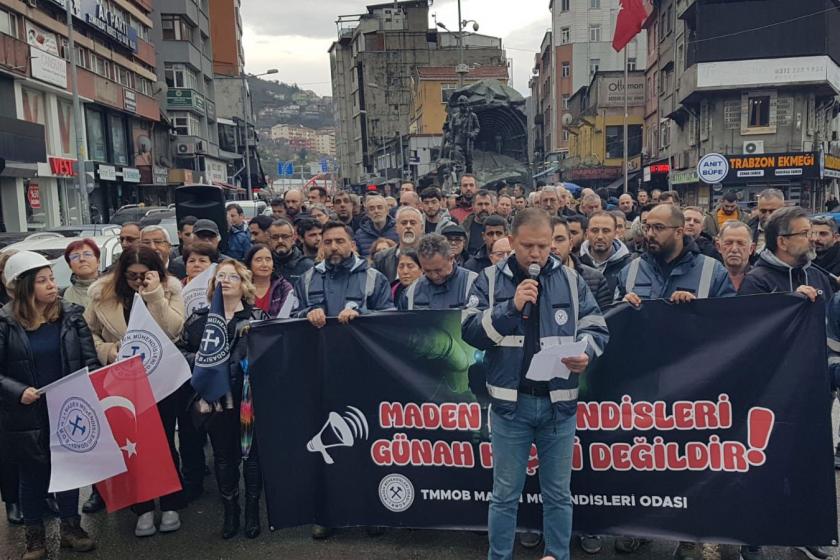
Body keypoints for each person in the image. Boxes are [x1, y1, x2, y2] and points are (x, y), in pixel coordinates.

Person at [462, 208, 609, 560]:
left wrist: (585, 351)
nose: (536, 254)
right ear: (511, 241)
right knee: (505, 494)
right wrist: (510, 308)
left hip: (559, 405)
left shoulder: (572, 281)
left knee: (558, 493)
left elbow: (596, 327)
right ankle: (499, 556)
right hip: (510, 408)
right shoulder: (489, 279)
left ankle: (558, 554)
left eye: (544, 246)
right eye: (528, 246)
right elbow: (469, 332)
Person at [736, 206, 834, 560]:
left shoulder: (819, 277)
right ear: (783, 241)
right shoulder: (758, 279)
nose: (811, 239)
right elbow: (750, 333)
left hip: (812, 386)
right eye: (803, 233)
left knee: (808, 463)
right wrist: (790, 304)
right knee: (765, 464)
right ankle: (753, 536)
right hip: (771, 390)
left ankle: (805, 530)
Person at [0, 251, 100, 558]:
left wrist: (95, 383)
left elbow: (88, 359)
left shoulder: (71, 315)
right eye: (42, 281)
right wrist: (18, 391)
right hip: (25, 413)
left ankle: (71, 528)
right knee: (33, 475)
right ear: (24, 287)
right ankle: (35, 539)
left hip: (67, 407)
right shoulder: (5, 323)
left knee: (68, 470)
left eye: (51, 279)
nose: (51, 286)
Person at [85, 246, 187, 538]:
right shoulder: (100, 293)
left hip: (160, 378)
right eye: (132, 277)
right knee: (131, 444)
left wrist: (154, 296)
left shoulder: (170, 288)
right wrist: (108, 350)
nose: (138, 282)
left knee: (165, 441)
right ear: (121, 273)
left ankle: (171, 502)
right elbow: (87, 332)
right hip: (121, 381)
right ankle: (141, 507)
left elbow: (176, 329)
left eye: (145, 276)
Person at [180, 260, 268, 539]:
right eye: (221, 276)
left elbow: (271, 357)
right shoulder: (198, 319)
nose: (226, 280)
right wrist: (205, 360)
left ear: (244, 284)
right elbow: (180, 352)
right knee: (223, 457)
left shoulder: (257, 318)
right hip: (215, 401)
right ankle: (231, 512)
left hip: (248, 400)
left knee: (251, 457)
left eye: (233, 276)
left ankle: (252, 511)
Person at [616, 204, 735, 306]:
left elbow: (729, 320)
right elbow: (612, 321)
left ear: (679, 232)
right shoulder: (631, 270)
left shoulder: (712, 271)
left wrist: (697, 309)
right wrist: (623, 307)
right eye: (647, 227)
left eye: (658, 228)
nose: (650, 234)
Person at [296, 221, 394, 329]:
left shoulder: (375, 279)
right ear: (322, 246)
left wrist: (361, 313)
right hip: (319, 344)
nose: (333, 247)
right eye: (328, 242)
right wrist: (308, 313)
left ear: (352, 245)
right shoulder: (306, 280)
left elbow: (388, 319)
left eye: (340, 241)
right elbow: (291, 318)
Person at [397, 234, 478, 311]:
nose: (434, 276)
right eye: (427, 271)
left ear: (451, 259)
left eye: (438, 270)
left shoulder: (474, 284)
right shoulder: (410, 293)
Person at [551, 217, 611, 311]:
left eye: (559, 240)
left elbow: (605, 319)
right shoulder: (532, 278)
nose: (553, 246)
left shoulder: (595, 278)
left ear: (570, 244)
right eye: (547, 240)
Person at [579, 211, 634, 297]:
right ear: (587, 233)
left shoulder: (629, 265)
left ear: (615, 233)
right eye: (594, 230)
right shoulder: (575, 262)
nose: (600, 236)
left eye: (606, 231)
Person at [244, 244, 296, 319]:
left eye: (268, 259)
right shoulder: (242, 287)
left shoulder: (284, 287)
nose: (265, 264)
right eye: (258, 260)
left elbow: (287, 317)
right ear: (249, 264)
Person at [374, 207, 423, 282]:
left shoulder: (431, 257)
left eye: (413, 223)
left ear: (421, 228)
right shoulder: (381, 258)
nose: (408, 226)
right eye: (404, 223)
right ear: (396, 228)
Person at [269, 219, 314, 284]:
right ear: (269, 240)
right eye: (275, 237)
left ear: (293, 238)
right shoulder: (265, 265)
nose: (280, 241)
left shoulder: (307, 266)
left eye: (285, 236)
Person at [715, 221, 755, 291]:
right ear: (718, 247)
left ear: (751, 249)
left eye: (741, 243)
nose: (734, 249)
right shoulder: (709, 279)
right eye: (728, 243)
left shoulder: (762, 281)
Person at [61, 239, 100, 309]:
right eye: (75, 256)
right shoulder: (64, 297)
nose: (82, 259)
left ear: (98, 261)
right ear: (70, 266)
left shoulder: (114, 289)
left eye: (87, 254)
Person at [749, 189, 786, 254]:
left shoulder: (794, 231)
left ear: (783, 209)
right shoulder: (747, 229)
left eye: (772, 211)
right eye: (763, 211)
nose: (767, 215)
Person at [463, 190, 496, 256]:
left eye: (487, 204)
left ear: (492, 206)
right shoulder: (464, 228)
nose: (483, 208)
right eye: (480, 204)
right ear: (473, 206)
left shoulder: (501, 226)